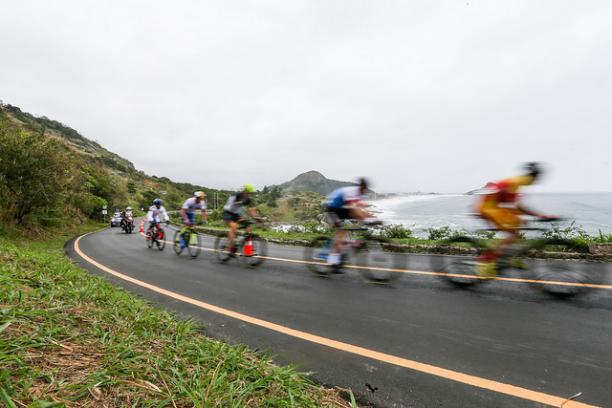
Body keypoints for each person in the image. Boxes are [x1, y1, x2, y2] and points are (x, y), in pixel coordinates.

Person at [475, 162, 557, 276]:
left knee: (516, 234)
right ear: (533, 176)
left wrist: (527, 216)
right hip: (488, 208)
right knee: (513, 235)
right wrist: (540, 215)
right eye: (537, 177)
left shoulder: (518, 183)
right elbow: (516, 207)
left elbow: (512, 206)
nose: (537, 180)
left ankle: (508, 258)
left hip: (492, 206)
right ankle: (484, 262)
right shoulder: (516, 183)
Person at [325, 178, 373, 266]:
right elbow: (354, 209)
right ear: (363, 188)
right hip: (332, 208)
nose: (366, 191)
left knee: (354, 223)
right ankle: (332, 260)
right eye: (366, 189)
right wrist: (366, 217)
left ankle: (349, 243)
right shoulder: (352, 192)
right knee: (341, 233)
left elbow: (359, 209)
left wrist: (371, 217)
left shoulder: (359, 194)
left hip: (341, 209)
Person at [223, 184, 260, 254]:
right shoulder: (237, 195)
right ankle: (230, 247)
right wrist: (241, 203)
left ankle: (248, 251)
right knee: (234, 226)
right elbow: (233, 204)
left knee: (248, 226)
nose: (249, 195)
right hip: (229, 213)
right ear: (244, 192)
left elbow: (252, 210)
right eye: (248, 193)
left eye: (251, 193)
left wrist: (257, 218)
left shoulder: (248, 199)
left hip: (237, 214)